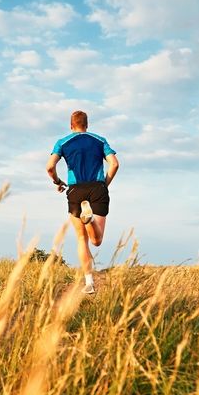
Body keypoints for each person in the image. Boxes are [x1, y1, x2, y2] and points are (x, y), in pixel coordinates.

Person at [46, 110, 120, 294]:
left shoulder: (62, 142)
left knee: (82, 239)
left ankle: (88, 283)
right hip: (97, 188)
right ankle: (91, 220)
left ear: (71, 125)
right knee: (97, 240)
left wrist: (57, 181)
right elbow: (115, 164)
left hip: (75, 191)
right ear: (87, 124)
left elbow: (49, 167)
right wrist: (105, 184)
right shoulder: (100, 140)